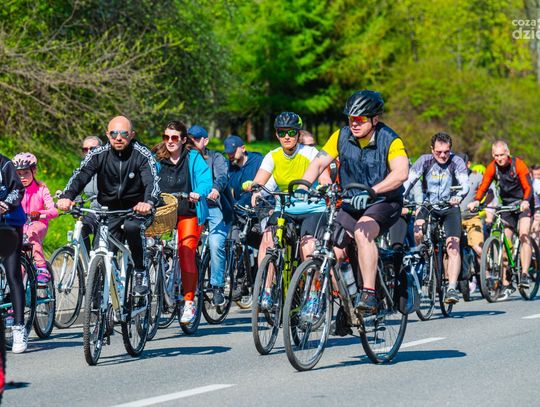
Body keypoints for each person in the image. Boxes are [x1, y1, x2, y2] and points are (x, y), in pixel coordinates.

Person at [300, 90, 409, 315]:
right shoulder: (341, 136)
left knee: (362, 231)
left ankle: (369, 294)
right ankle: (347, 306)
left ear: (375, 119)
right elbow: (318, 163)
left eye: (360, 119)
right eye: (351, 119)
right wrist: (303, 186)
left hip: (384, 201)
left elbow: (401, 173)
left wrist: (373, 191)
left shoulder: (391, 140)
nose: (354, 124)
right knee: (332, 251)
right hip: (351, 202)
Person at [57, 116, 160, 296]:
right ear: (107, 135)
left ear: (132, 135)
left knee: (132, 227)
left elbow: (152, 182)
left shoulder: (142, 154)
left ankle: (140, 271)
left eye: (124, 134)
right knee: (101, 251)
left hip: (136, 210)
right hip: (109, 211)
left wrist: (149, 202)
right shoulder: (99, 154)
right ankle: (98, 300)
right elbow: (81, 174)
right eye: (113, 133)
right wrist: (67, 197)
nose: (118, 137)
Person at [248, 111, 330, 310]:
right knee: (268, 238)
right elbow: (260, 180)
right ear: (276, 134)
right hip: (285, 209)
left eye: (291, 132)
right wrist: (256, 190)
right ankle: (267, 291)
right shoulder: (273, 156)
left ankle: (312, 296)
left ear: (298, 134)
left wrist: (324, 186)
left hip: (312, 209)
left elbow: (324, 177)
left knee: (308, 247)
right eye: (282, 132)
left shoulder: (310, 153)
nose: (287, 136)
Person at [153, 121, 212, 323]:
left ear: (183, 139)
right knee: (149, 245)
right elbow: (147, 178)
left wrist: (199, 192)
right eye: (166, 137)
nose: (170, 141)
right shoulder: (158, 158)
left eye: (174, 137)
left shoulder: (193, 157)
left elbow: (205, 180)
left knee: (186, 252)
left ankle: (189, 302)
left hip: (189, 211)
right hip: (163, 211)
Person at [407, 133, 469, 304]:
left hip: (450, 207)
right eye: (439, 152)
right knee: (418, 231)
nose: (443, 155)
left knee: (453, 246)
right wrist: (402, 197)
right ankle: (426, 260)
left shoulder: (457, 162)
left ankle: (452, 288)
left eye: (446, 152)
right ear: (432, 149)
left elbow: (465, 184)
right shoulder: (424, 160)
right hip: (429, 206)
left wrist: (459, 196)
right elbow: (409, 180)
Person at [468, 140, 534, 294]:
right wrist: (477, 200)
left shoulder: (518, 165)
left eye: (502, 155)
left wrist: (525, 201)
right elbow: (484, 186)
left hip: (523, 202)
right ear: (493, 155)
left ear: (507, 153)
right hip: (506, 205)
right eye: (496, 155)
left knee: (524, 234)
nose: (499, 158)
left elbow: (528, 187)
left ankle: (524, 275)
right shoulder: (492, 167)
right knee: (505, 241)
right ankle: (506, 280)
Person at [188, 125, 232, 307]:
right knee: (181, 244)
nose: (192, 142)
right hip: (191, 207)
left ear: (205, 140)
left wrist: (215, 189)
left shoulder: (216, 157)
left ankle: (217, 286)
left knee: (215, 244)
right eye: (189, 139)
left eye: (196, 139)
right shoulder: (184, 158)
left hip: (214, 207)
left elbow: (222, 177)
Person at [12, 153, 58, 284]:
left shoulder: (41, 189)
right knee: (18, 271)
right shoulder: (13, 190)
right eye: (18, 174)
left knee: (32, 232)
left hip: (38, 224)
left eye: (26, 173)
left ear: (34, 171)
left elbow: (53, 211)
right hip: (20, 226)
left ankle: (42, 267)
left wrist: (39, 213)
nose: (22, 177)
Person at [0, 153, 28, 353]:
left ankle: (19, 327)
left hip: (8, 222)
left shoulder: (4, 164)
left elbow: (17, 189)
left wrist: (5, 204)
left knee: (12, 274)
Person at [224, 135, 264, 207]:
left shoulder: (258, 161)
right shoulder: (227, 165)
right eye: (228, 153)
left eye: (233, 152)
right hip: (237, 208)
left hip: (258, 207)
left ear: (243, 148)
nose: (230, 156)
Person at [80, 136, 103, 251]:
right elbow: (76, 185)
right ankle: (87, 259)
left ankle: (97, 259)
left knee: (98, 245)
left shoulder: (109, 166)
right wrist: (66, 196)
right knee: (81, 229)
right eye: (85, 149)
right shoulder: (83, 168)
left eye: (92, 149)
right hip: (93, 211)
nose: (89, 152)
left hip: (110, 213)